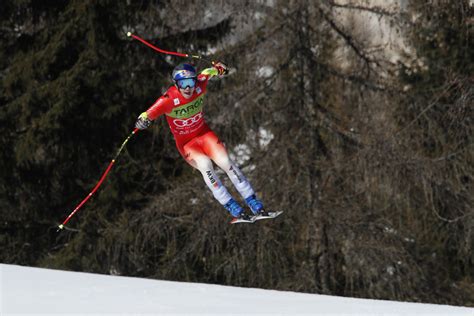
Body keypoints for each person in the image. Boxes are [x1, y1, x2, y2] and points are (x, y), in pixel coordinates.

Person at [135, 62, 267, 223]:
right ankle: (232, 206)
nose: (188, 88)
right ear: (176, 84)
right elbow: (147, 113)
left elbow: (208, 71)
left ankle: (254, 203)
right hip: (187, 144)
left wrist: (220, 69)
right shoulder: (168, 99)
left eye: (191, 82)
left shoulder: (200, 84)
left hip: (204, 134)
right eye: (183, 84)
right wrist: (142, 121)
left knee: (226, 162)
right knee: (205, 166)